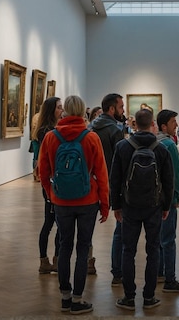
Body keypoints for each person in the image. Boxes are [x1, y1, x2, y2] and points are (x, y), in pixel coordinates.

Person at [38, 95, 109, 315]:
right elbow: (101, 174)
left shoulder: (51, 137)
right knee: (82, 248)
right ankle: (78, 299)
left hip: (61, 201)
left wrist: (52, 193)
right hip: (88, 200)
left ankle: (65, 297)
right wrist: (105, 204)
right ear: (83, 112)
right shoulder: (91, 137)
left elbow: (43, 170)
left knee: (64, 247)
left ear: (66, 111)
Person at [110, 109, 174, 310]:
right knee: (153, 250)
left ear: (135, 124)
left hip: (129, 206)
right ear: (152, 124)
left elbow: (115, 180)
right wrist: (166, 206)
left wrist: (116, 206)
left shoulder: (122, 147)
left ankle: (129, 297)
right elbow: (168, 181)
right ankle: (148, 297)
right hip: (153, 206)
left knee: (128, 250)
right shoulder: (161, 148)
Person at [90, 93, 126, 284]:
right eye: (121, 107)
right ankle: (117, 273)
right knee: (120, 229)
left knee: (86, 229)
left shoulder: (91, 128)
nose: (123, 111)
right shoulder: (114, 130)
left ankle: (88, 262)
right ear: (111, 109)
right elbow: (119, 163)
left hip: (91, 184)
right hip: (111, 184)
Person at [155, 109, 179, 293]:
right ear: (164, 126)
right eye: (173, 121)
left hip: (153, 199)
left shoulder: (154, 142)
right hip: (167, 200)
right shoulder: (169, 144)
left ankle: (159, 272)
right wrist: (176, 198)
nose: (176, 124)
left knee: (159, 238)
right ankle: (170, 279)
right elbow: (176, 175)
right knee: (168, 239)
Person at [35, 97, 64, 274]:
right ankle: (46, 260)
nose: (62, 111)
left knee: (56, 222)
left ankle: (54, 259)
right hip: (51, 181)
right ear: (51, 110)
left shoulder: (52, 130)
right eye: (59, 108)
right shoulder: (47, 132)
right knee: (51, 222)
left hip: (55, 179)